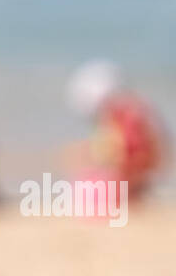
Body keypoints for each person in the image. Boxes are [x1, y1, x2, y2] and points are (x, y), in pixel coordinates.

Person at [63, 60, 166, 197]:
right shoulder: (135, 112)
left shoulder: (127, 118)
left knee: (86, 181)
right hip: (138, 172)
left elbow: (132, 151)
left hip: (131, 174)